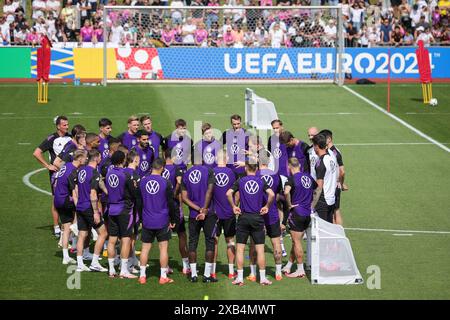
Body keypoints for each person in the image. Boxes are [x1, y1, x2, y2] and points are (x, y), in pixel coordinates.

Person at [226, 162, 275, 286]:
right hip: (257, 218)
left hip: (244, 217)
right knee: (260, 250)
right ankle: (263, 278)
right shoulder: (260, 181)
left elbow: (228, 193)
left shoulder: (240, 180)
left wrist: (233, 206)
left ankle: (240, 278)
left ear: (246, 168)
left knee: (240, 249)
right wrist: (267, 206)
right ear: (257, 169)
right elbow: (272, 194)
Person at [138, 158, 179, 284]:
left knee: (145, 248)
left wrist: (140, 218)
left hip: (147, 220)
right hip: (162, 220)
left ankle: (142, 276)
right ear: (162, 168)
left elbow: (139, 203)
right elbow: (171, 203)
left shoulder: (142, 181)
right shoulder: (166, 182)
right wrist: (174, 219)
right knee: (163, 249)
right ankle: (163, 277)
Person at [33, 115, 71, 238]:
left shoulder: (70, 137)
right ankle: (56, 226)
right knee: (56, 199)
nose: (67, 126)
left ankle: (68, 226)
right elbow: (37, 153)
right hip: (56, 174)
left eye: (67, 124)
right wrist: (47, 165)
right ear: (58, 126)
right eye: (64, 125)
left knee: (70, 198)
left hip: (69, 173)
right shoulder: (51, 138)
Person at [181, 154, 217, 283]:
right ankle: (207, 275)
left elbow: (184, 198)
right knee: (210, 242)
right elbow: (210, 190)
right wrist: (204, 209)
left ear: (191, 160)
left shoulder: (186, 174)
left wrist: (197, 209)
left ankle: (194, 275)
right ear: (202, 160)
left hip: (193, 215)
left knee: (193, 243)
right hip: (209, 213)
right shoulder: (209, 171)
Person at [73, 149, 108, 273]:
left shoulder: (81, 170)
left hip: (80, 206)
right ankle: (94, 262)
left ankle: (80, 263)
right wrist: (95, 212)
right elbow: (93, 193)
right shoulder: (94, 173)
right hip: (89, 207)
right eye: (100, 157)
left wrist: (106, 192)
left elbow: (76, 188)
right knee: (103, 233)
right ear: (97, 157)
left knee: (82, 234)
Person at [105, 150, 139, 279]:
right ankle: (124, 270)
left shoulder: (109, 174)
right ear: (122, 160)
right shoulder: (124, 174)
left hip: (111, 209)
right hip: (124, 210)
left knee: (112, 240)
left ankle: (112, 269)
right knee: (126, 239)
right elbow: (133, 192)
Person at [282, 157, 316, 277]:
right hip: (307, 213)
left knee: (296, 241)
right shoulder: (309, 177)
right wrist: (312, 204)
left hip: (297, 213)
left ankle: (300, 270)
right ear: (299, 166)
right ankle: (289, 265)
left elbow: (286, 192)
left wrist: (289, 204)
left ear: (289, 166)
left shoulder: (291, 179)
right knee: (296, 242)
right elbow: (316, 189)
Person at [53, 149, 87, 265]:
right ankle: (76, 225)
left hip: (57, 199)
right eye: (85, 157)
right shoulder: (73, 172)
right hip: (65, 199)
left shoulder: (67, 165)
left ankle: (65, 256)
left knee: (66, 227)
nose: (86, 159)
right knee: (83, 207)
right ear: (80, 158)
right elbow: (75, 192)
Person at [254, 152, 284, 281]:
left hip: (258, 212)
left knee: (257, 244)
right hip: (272, 212)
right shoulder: (275, 174)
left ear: (258, 161)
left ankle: (255, 272)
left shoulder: (255, 174)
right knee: (276, 243)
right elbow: (277, 193)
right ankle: (278, 273)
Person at [162, 148, 190, 275]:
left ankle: (165, 266)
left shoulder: (159, 168)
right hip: (173, 205)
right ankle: (185, 265)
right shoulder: (177, 168)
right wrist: (175, 192)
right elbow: (179, 182)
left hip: (161, 206)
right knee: (182, 235)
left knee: (164, 238)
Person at [213, 149, 237, 279]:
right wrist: (235, 206)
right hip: (229, 212)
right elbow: (236, 192)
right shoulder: (232, 173)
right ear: (226, 158)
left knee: (214, 242)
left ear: (217, 159)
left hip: (215, 213)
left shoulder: (212, 173)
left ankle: (213, 271)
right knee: (230, 241)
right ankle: (231, 271)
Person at [320, 129, 347, 226]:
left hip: (333, 186)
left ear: (329, 139)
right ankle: (336, 234)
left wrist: (340, 182)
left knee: (334, 211)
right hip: (334, 185)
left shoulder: (332, 152)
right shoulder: (336, 151)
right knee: (334, 211)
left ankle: (337, 233)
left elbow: (342, 171)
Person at [311, 134, 336, 223]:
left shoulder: (320, 163)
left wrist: (312, 205)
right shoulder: (331, 158)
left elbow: (319, 187)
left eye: (313, 145)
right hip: (331, 199)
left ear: (317, 146)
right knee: (329, 228)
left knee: (322, 231)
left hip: (322, 201)